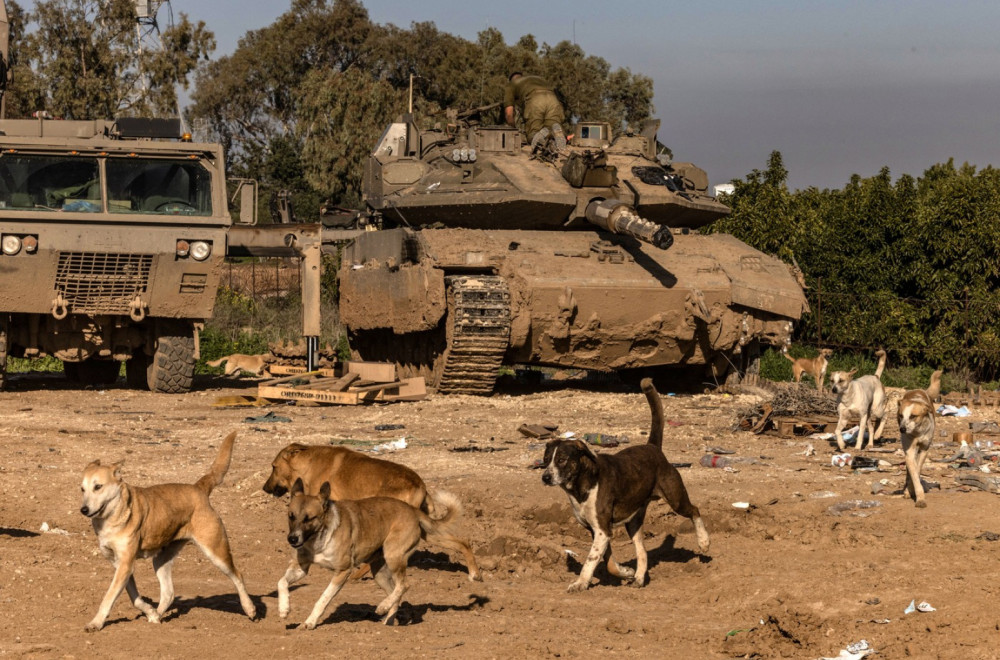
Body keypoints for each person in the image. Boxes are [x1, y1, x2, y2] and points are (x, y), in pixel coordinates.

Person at [503, 72, 566, 151]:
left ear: (511, 80)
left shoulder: (511, 84)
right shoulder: (538, 79)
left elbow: (509, 114)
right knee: (551, 127)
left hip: (535, 100)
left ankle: (540, 141)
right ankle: (555, 136)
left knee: (533, 134)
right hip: (553, 99)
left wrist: (512, 131)